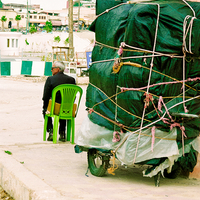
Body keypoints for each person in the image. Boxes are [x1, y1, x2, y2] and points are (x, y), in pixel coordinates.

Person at [42, 61, 76, 141]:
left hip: (55, 108)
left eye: (52, 68)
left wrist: (45, 107)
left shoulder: (50, 79)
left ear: (57, 69)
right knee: (63, 107)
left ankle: (51, 131)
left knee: (45, 110)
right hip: (69, 109)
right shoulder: (71, 80)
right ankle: (62, 133)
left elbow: (45, 96)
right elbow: (74, 96)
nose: (51, 70)